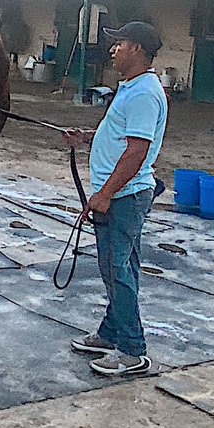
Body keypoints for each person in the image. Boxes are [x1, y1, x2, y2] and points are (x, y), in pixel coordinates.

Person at [64, 21, 168, 377]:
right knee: (119, 267)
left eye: (119, 43)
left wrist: (104, 194)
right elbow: (123, 136)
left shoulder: (142, 94)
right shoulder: (132, 88)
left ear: (137, 49)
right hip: (122, 194)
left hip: (124, 196)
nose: (112, 49)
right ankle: (111, 333)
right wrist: (89, 136)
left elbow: (137, 150)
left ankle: (133, 350)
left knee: (116, 269)